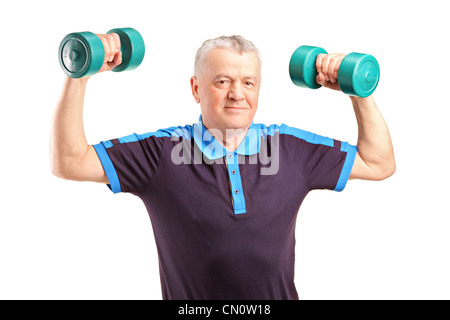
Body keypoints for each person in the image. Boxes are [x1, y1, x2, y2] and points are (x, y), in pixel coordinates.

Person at [50, 34, 395, 300]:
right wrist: (79, 76)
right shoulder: (162, 152)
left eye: (249, 82)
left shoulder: (289, 148)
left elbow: (377, 163)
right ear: (195, 88)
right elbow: (70, 161)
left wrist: (358, 94)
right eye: (222, 81)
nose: (237, 94)